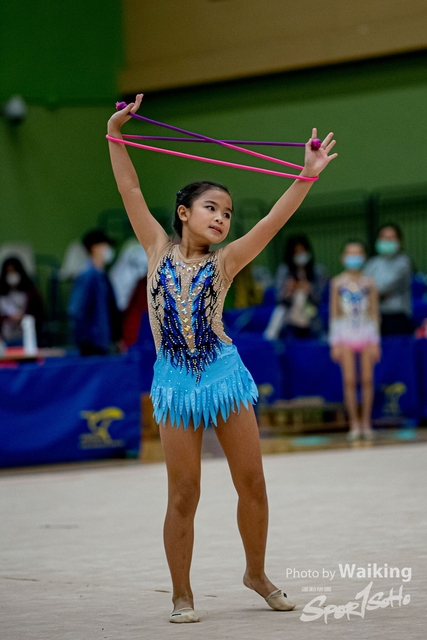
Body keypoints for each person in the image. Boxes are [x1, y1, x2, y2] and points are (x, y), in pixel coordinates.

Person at [107, 94, 337, 623]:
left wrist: (307, 175)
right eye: (212, 208)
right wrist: (115, 135)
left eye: (228, 213)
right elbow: (130, 188)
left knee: (252, 482)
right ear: (184, 213)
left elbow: (273, 222)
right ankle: (181, 594)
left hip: (224, 375)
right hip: (173, 382)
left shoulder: (226, 262)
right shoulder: (156, 248)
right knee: (184, 492)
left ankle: (256, 573)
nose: (222, 218)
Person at [329, 241, 381, 440]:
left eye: (357, 254)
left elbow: (374, 312)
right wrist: (335, 342)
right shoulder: (337, 283)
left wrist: (375, 341)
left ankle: (366, 422)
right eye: (350, 254)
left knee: (367, 380)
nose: (354, 258)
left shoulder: (369, 283)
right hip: (345, 335)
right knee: (349, 381)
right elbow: (334, 314)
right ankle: (354, 423)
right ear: (343, 258)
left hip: (366, 334)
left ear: (363, 257)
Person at [68, 229, 122, 356]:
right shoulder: (87, 277)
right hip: (93, 345)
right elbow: (77, 310)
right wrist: (87, 340)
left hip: (103, 342)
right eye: (105, 245)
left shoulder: (102, 276)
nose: (108, 249)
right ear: (94, 248)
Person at [264, 234, 328, 340]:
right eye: (296, 252)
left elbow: (319, 299)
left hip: (311, 317)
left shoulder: (318, 271)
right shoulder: (284, 271)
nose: (300, 254)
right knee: (279, 313)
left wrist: (309, 289)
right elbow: (278, 298)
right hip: (289, 319)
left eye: (303, 251)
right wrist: (289, 290)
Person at [363, 223, 412, 335]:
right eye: (384, 238)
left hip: (396, 317)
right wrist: (375, 293)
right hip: (373, 316)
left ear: (399, 240)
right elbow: (363, 288)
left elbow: (383, 287)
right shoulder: (372, 263)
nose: (387, 241)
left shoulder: (403, 263)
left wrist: (372, 291)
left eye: (391, 238)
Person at [0, 256, 44, 346]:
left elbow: (39, 313)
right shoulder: (2, 292)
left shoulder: (30, 291)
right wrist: (7, 317)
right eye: (9, 272)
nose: (12, 275)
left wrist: (24, 317)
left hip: (26, 337)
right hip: (5, 338)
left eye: (14, 271)